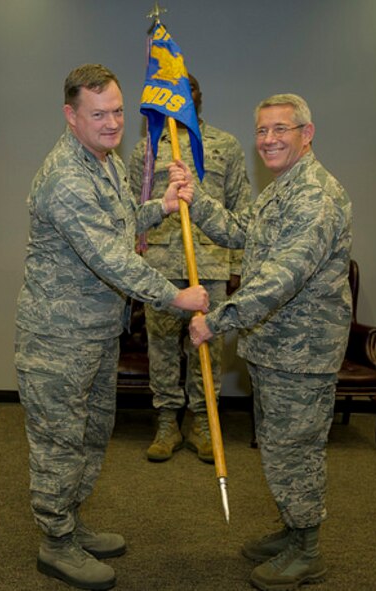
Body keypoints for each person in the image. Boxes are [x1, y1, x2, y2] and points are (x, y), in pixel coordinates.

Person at [14, 64, 209, 591]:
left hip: (98, 333)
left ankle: (72, 523)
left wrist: (161, 207)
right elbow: (110, 258)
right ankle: (55, 543)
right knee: (59, 441)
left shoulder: (102, 163)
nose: (112, 122)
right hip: (58, 339)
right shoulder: (67, 178)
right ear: (71, 116)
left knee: (92, 434)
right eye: (98, 114)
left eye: (118, 111)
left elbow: (118, 222)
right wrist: (174, 296)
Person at [186, 93, 352, 590]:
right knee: (280, 450)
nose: (269, 139)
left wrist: (217, 320)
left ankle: (309, 551)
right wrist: (195, 200)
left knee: (295, 451)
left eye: (281, 129)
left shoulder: (315, 197)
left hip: (301, 354)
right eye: (262, 130)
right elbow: (243, 231)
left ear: (308, 133)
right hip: (275, 349)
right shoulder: (283, 189)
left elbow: (280, 278)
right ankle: (292, 530)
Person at [128, 73, 252, 463]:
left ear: (198, 97)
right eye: (176, 91)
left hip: (211, 262)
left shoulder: (225, 146)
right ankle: (167, 421)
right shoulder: (145, 151)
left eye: (191, 89)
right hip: (161, 267)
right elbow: (132, 212)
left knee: (208, 345)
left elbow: (241, 209)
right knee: (162, 346)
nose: (183, 96)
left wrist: (236, 266)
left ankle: (202, 419)